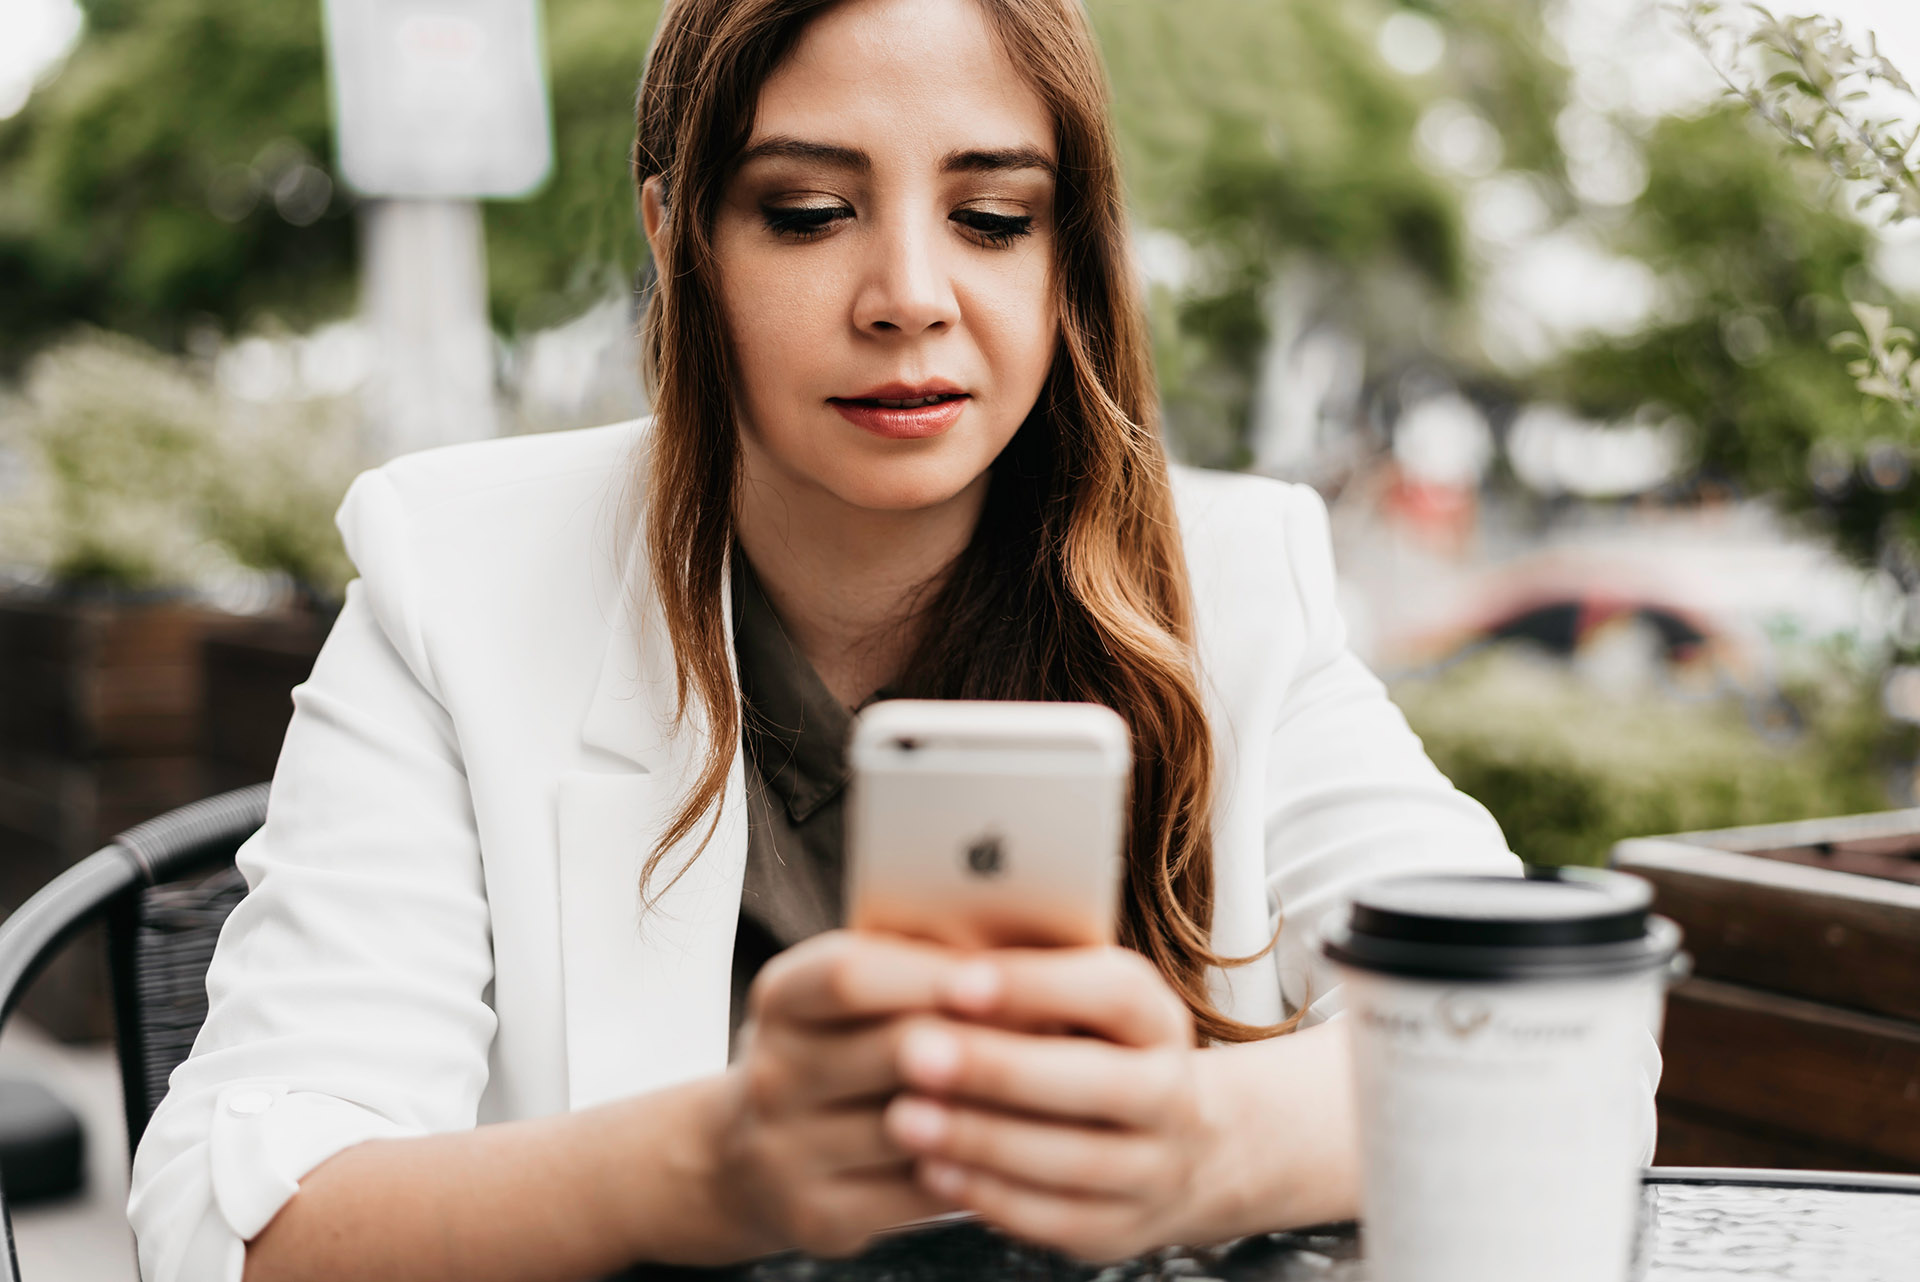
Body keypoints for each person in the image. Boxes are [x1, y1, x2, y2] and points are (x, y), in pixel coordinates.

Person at [127, 1, 1529, 1279]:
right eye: (806, 212)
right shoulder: (458, 580)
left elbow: (1517, 1032)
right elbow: (232, 1221)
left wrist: (1186, 1146)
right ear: (678, 231)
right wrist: (717, 1164)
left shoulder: (1229, 579)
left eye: (991, 216)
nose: (907, 293)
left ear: (1070, 251)